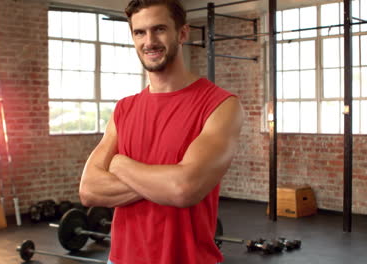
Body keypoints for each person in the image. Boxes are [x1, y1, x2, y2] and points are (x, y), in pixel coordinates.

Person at [79, 0, 244, 263]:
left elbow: (183, 189)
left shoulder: (221, 105)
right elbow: (89, 189)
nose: (149, 41)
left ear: (182, 33)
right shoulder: (124, 109)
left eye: (159, 29)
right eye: (140, 32)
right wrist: (165, 180)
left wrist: (120, 164)